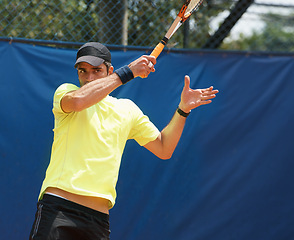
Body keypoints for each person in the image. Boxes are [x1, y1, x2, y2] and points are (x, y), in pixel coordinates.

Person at [29, 42, 218, 240]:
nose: (89, 77)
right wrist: (128, 72)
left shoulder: (127, 110)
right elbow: (78, 102)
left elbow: (164, 148)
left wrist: (183, 109)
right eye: (83, 71)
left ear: (109, 70)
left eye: (96, 70)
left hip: (98, 220)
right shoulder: (67, 92)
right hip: (59, 208)